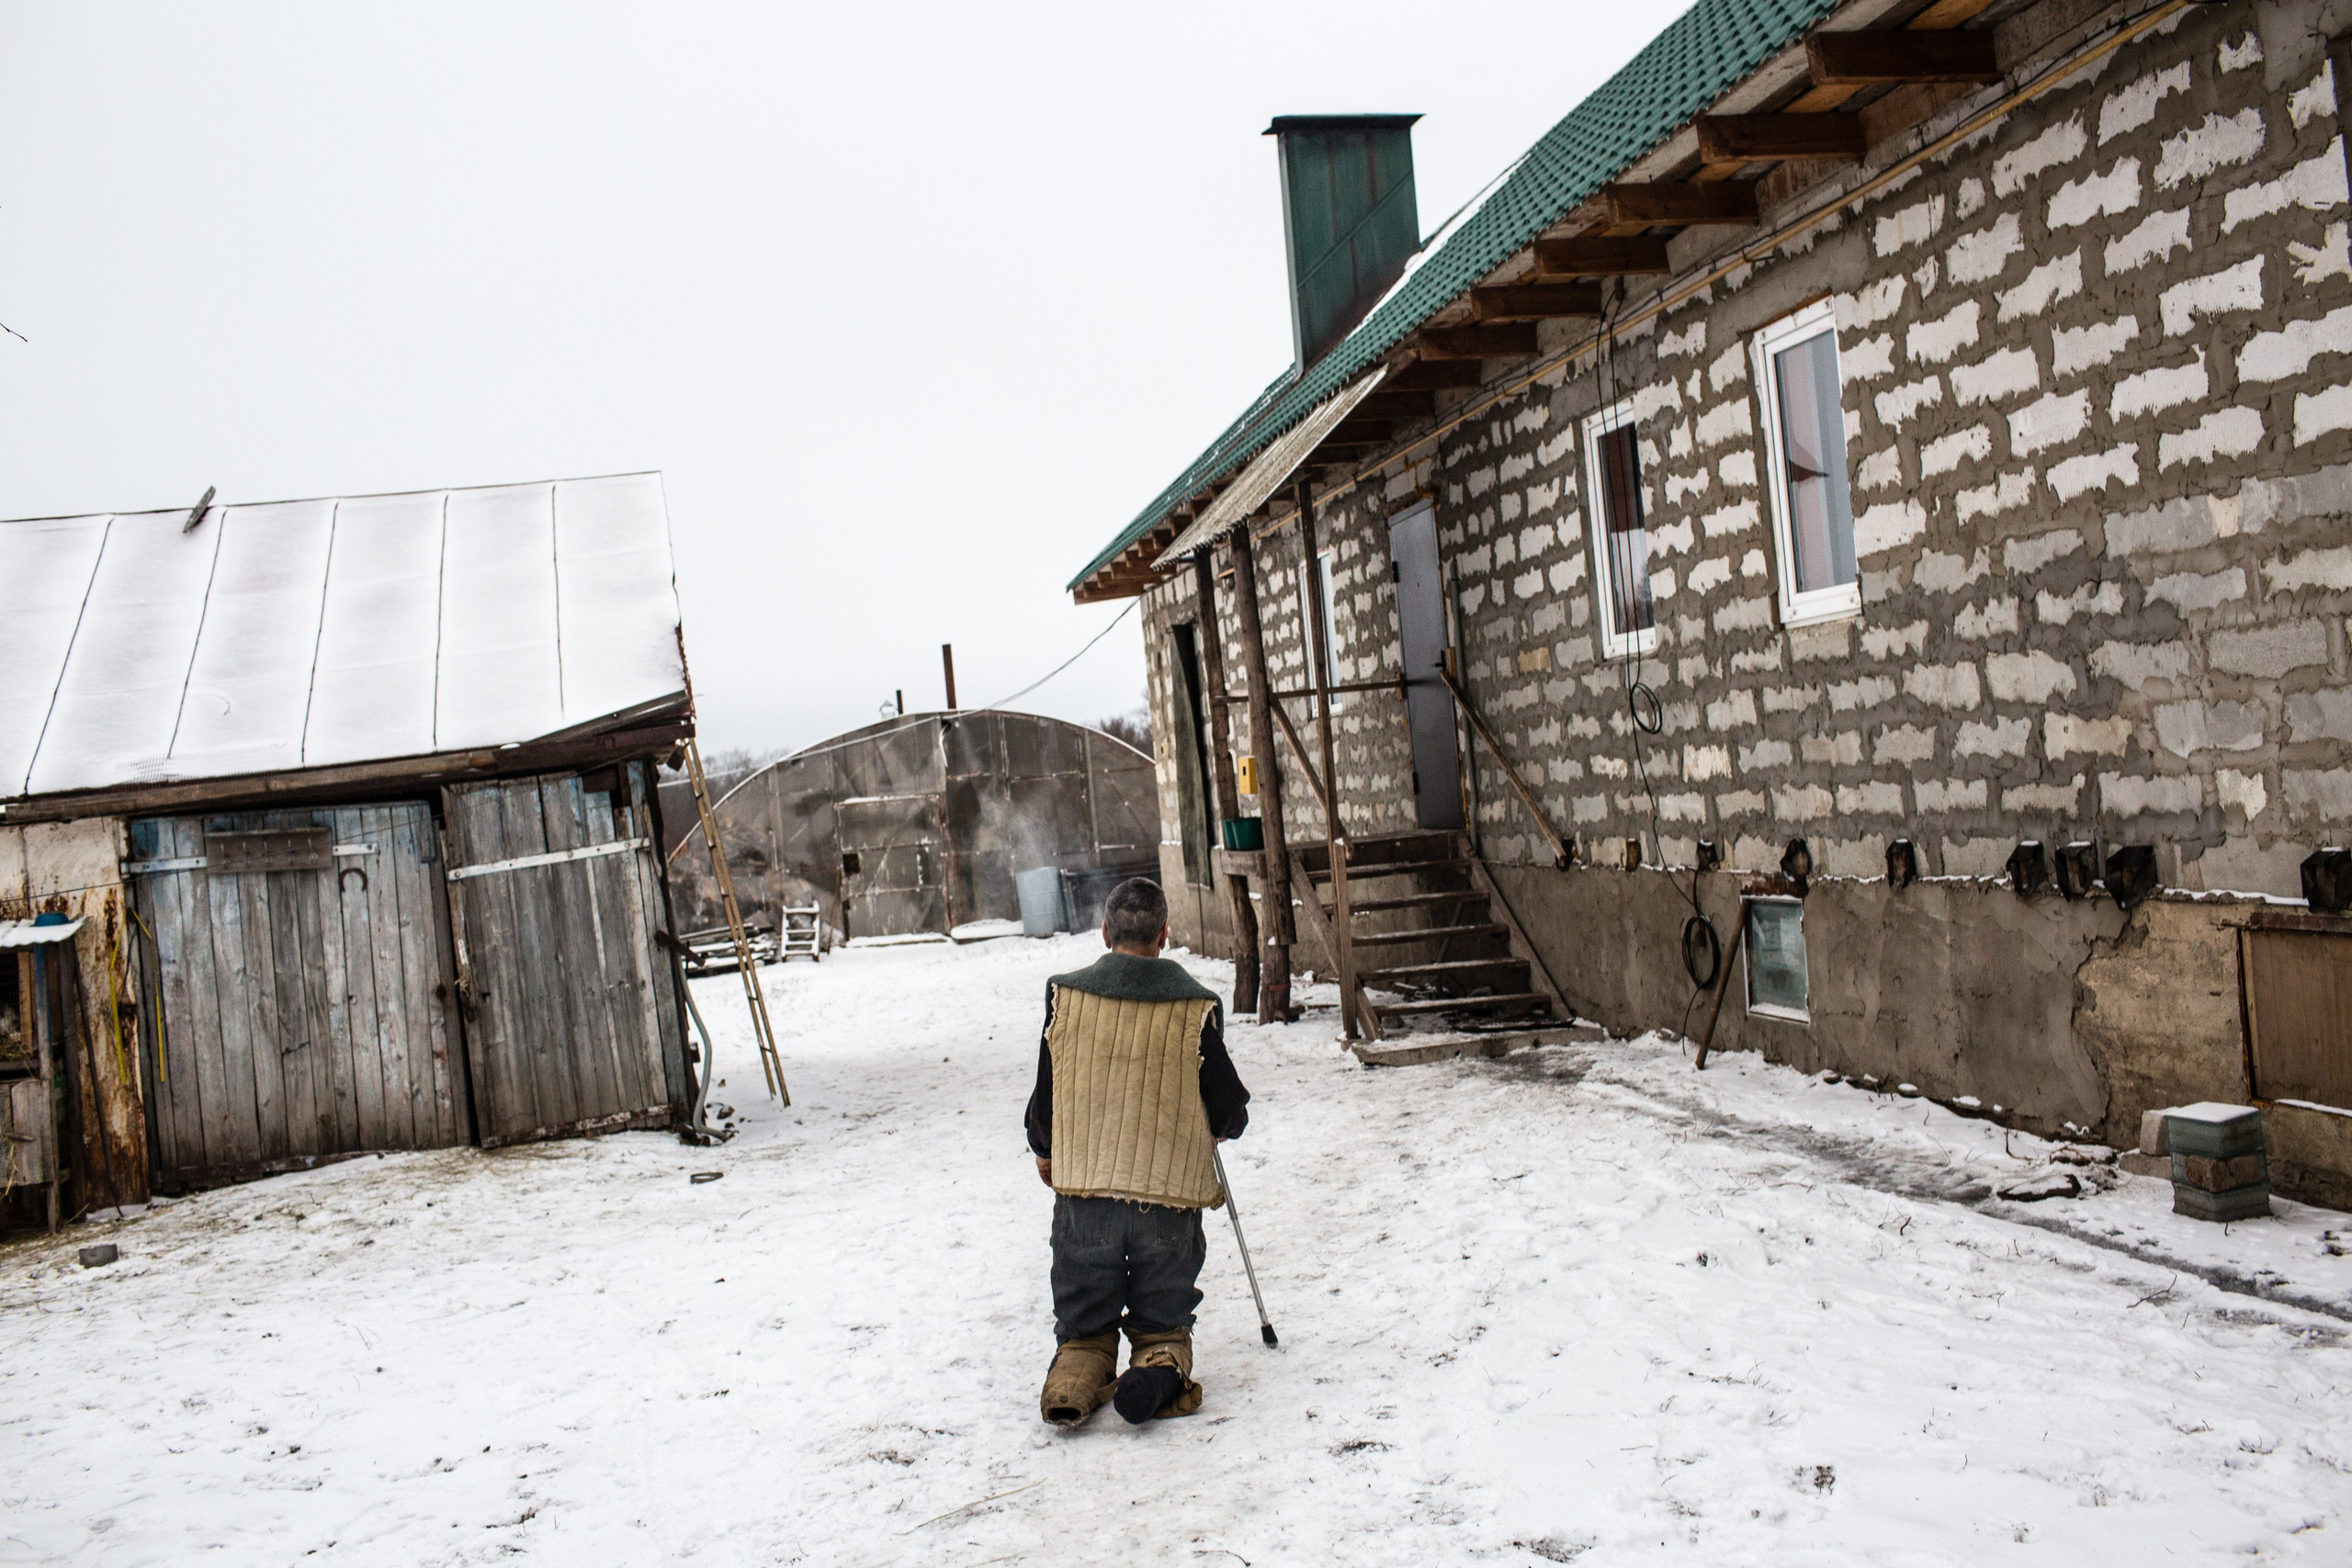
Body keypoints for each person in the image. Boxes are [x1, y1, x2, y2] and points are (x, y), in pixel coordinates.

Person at [1024, 876, 1250, 1428]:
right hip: (1168, 1203)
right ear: (1164, 935)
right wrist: (1220, 1124)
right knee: (1163, 1322)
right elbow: (1229, 1110)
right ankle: (1156, 1370)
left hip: (1086, 1200)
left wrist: (1045, 1149)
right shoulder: (1196, 1007)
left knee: (1084, 1327)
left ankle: (1073, 1382)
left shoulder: (1065, 998)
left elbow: (1046, 1097)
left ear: (1105, 933)